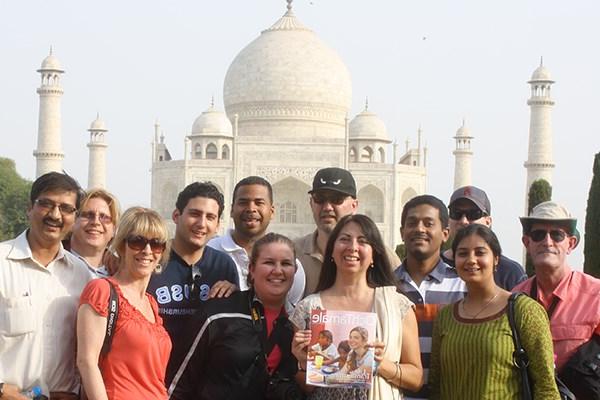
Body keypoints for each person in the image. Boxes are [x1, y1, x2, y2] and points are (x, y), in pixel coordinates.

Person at [292, 214, 423, 400]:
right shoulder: (309, 308)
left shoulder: (395, 306)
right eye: (344, 239)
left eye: (362, 241)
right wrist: (304, 362)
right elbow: (306, 388)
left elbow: (416, 379)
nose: (352, 247)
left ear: (374, 255)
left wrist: (380, 364)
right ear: (331, 251)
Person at [429, 224, 559, 399]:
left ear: (496, 259)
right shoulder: (446, 317)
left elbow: (546, 387)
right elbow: (437, 385)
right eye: (462, 253)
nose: (471, 260)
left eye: (480, 252)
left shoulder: (523, 311)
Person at [169, 233, 301, 400]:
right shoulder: (217, 314)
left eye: (286, 263)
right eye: (268, 262)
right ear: (252, 269)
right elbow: (177, 384)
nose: (277, 270)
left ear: (295, 271)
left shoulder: (299, 324)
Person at [0, 172, 92, 400]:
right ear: (29, 208)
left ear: (75, 217)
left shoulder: (81, 275)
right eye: (46, 204)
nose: (55, 215)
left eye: (66, 208)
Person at [146, 182, 239, 385]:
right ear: (176, 215)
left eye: (210, 217)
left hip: (204, 382)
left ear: (218, 224)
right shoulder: (150, 259)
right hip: (154, 379)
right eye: (195, 214)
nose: (202, 223)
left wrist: (236, 295)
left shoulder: (223, 266)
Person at [77, 207, 172, 400]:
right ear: (122, 246)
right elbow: (86, 361)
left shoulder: (151, 303)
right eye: (137, 242)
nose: (147, 251)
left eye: (156, 244)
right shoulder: (102, 291)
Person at [393, 195, 466, 400]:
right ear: (402, 233)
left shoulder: (463, 286)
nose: (419, 229)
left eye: (428, 223)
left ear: (445, 234)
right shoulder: (384, 287)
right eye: (412, 223)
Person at [513, 201, 600, 372]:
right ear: (527, 243)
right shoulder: (513, 299)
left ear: (571, 243)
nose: (547, 241)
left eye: (557, 235)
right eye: (538, 234)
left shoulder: (596, 295)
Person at [295, 168, 401, 296]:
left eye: (336, 199)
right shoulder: (294, 253)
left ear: (354, 205)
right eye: (320, 199)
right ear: (311, 203)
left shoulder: (380, 255)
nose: (327, 207)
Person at [208, 176, 305, 308]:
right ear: (231, 210)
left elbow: (288, 311)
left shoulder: (288, 265)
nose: (251, 209)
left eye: (259, 203)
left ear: (272, 212)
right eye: (243, 202)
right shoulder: (209, 252)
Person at [441, 185, 526, 290]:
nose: (463, 221)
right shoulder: (433, 267)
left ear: (488, 222)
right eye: (456, 213)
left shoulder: (509, 272)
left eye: (473, 214)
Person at [69, 188, 120, 276]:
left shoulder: (123, 274)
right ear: (73, 221)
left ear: (114, 229)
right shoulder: (51, 262)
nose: (96, 222)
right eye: (88, 215)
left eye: (104, 217)